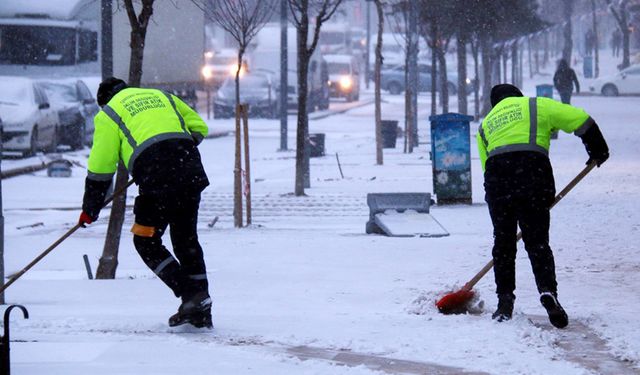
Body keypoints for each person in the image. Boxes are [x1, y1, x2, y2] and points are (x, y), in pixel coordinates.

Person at [78, 77, 213, 328]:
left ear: (103, 101)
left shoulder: (108, 113)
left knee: (146, 240)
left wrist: (90, 208)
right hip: (189, 169)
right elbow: (199, 128)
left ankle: (191, 295)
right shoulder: (162, 96)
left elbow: (101, 168)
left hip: (156, 176)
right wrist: (175, 149)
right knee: (186, 240)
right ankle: (201, 309)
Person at [476, 84, 609, 328]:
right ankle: (548, 293)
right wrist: (598, 149)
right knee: (537, 242)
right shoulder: (536, 105)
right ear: (518, 96)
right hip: (532, 176)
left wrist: (499, 200)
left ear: (494, 104)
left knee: (503, 243)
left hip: (498, 182)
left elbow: (487, 167)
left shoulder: (485, 125)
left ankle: (504, 303)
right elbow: (581, 120)